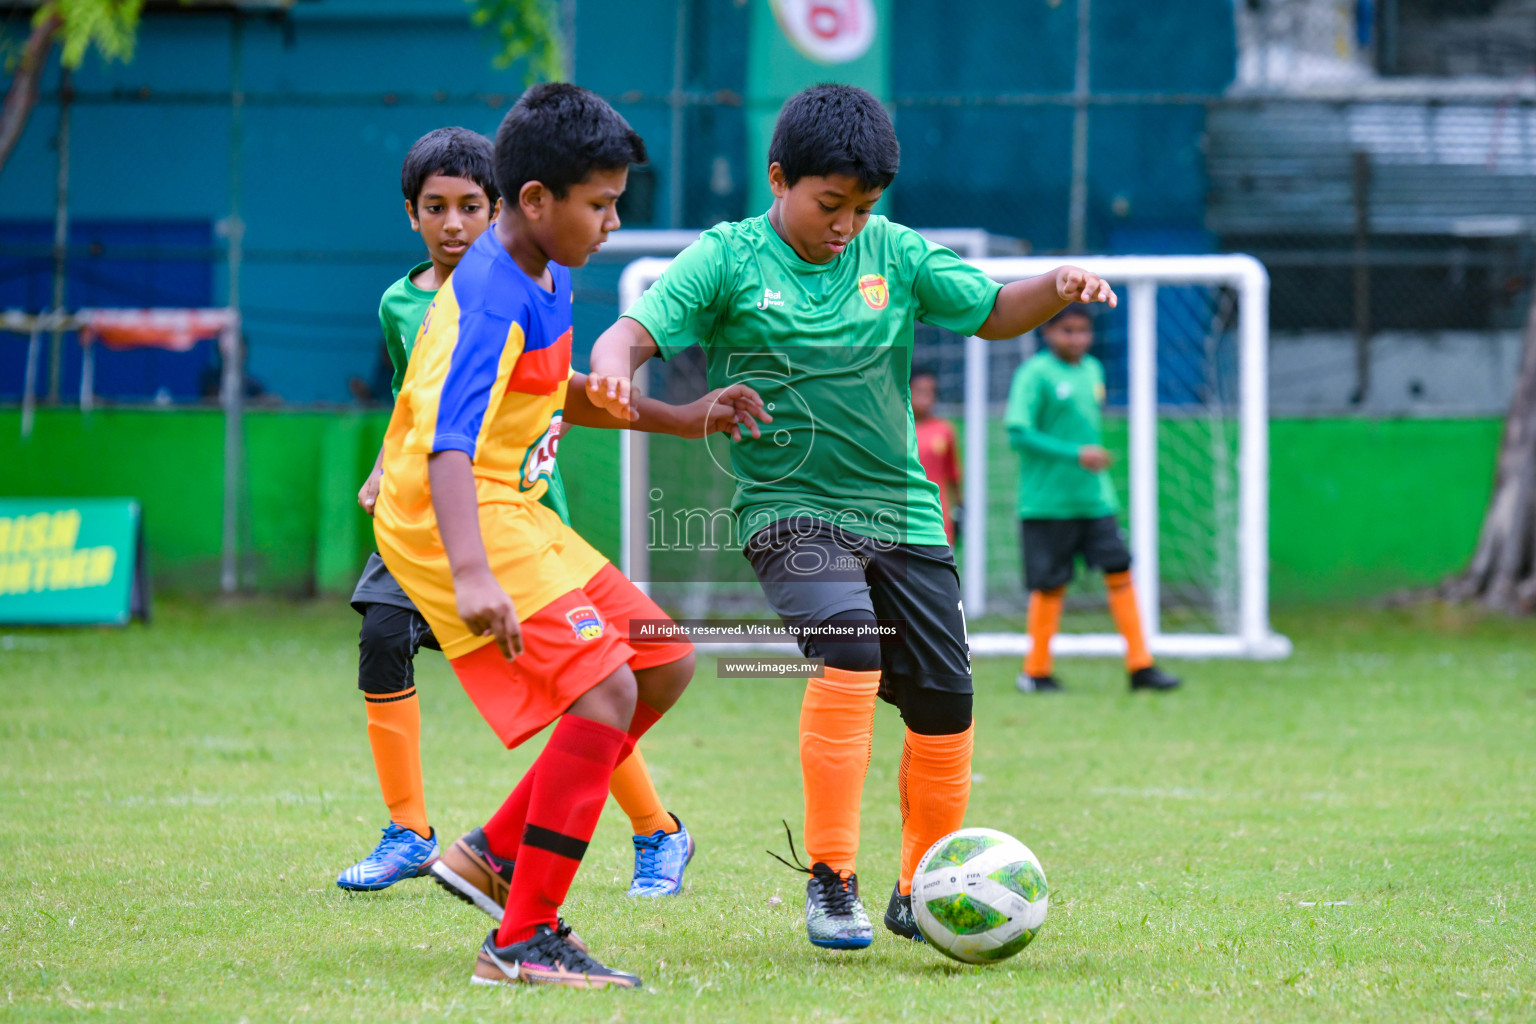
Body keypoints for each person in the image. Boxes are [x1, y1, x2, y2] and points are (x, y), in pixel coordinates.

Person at [585, 83, 1116, 951]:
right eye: (831, 204)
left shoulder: (895, 254)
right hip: (787, 511)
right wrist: (612, 365)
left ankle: (921, 888)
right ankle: (833, 881)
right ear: (778, 177)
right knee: (849, 644)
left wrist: (1054, 286)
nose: (847, 223)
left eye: (863, 208)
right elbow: (636, 332)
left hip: (902, 514)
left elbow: (989, 311)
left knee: (945, 699)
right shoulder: (727, 258)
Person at [337, 126, 734, 904]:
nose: (613, 223)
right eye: (602, 205)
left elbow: (555, 391)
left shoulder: (545, 270)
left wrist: (681, 417)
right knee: (606, 690)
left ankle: (491, 850)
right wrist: (473, 573)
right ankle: (524, 932)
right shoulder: (487, 297)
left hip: (512, 505)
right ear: (537, 200)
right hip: (455, 513)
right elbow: (448, 444)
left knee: (661, 660)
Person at [1004, 303, 1182, 695]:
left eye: (1083, 331)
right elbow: (1017, 432)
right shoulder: (1035, 374)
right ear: (1047, 332)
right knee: (1050, 584)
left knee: (1120, 569)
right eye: (1068, 330)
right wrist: (1076, 454)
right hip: (1047, 502)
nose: (1077, 338)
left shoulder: (1093, 371)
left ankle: (1141, 665)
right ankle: (1035, 672)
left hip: (1096, 499)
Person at [910, 369, 962, 547]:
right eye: (921, 391)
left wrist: (960, 511)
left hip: (937, 521)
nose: (927, 398)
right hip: (900, 518)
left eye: (932, 392)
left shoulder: (944, 429)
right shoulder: (895, 429)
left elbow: (954, 474)